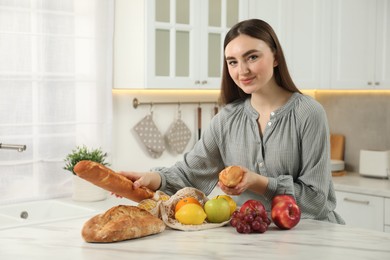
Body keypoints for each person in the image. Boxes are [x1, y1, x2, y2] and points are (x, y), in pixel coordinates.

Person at [120, 19, 345, 224]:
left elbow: (316, 200)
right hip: (250, 236)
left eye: (252, 57)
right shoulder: (227, 119)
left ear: (275, 57)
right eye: (233, 62)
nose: (242, 71)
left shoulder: (308, 113)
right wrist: (152, 178)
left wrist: (259, 182)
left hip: (311, 236)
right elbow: (189, 175)